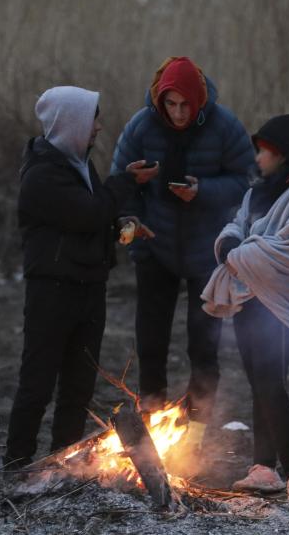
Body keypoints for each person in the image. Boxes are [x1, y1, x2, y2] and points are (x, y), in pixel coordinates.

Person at [4, 86, 158, 469]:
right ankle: (15, 465)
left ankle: (63, 465)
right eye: (92, 120)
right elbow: (87, 213)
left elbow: (88, 223)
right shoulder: (41, 176)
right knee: (37, 384)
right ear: (71, 124)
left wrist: (121, 225)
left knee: (78, 387)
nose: (99, 128)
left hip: (89, 289)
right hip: (51, 293)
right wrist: (124, 183)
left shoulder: (80, 168)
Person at [110, 57, 255, 455]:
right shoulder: (141, 125)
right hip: (155, 247)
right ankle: (152, 432)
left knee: (202, 346)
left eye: (184, 106)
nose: (177, 113)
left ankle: (193, 439)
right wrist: (131, 221)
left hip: (206, 251)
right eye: (170, 105)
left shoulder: (224, 126)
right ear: (160, 101)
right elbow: (119, 181)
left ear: (198, 101)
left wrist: (203, 190)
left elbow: (248, 182)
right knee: (151, 342)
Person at [201, 114, 289, 499]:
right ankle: (263, 468)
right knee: (259, 384)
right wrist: (231, 244)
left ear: (286, 155)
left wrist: (236, 252)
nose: (257, 157)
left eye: (264, 151)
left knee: (272, 383)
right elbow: (236, 226)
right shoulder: (259, 191)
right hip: (247, 298)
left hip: (279, 301)